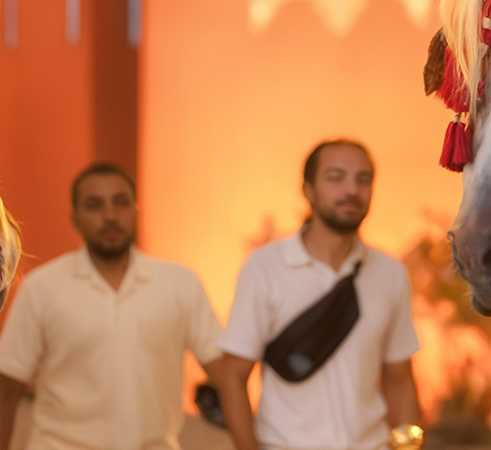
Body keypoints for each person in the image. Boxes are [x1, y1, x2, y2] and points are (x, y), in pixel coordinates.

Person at [213, 139, 423, 450]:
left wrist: (410, 448)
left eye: (363, 179)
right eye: (335, 177)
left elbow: (399, 380)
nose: (351, 189)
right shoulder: (265, 268)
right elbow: (232, 375)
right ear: (308, 190)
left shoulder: (390, 272)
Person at [0, 163, 224, 450]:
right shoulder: (42, 287)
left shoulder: (180, 283)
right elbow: (8, 389)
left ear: (136, 210)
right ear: (75, 218)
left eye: (120, 203)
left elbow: (226, 373)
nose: (109, 215)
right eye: (94, 205)